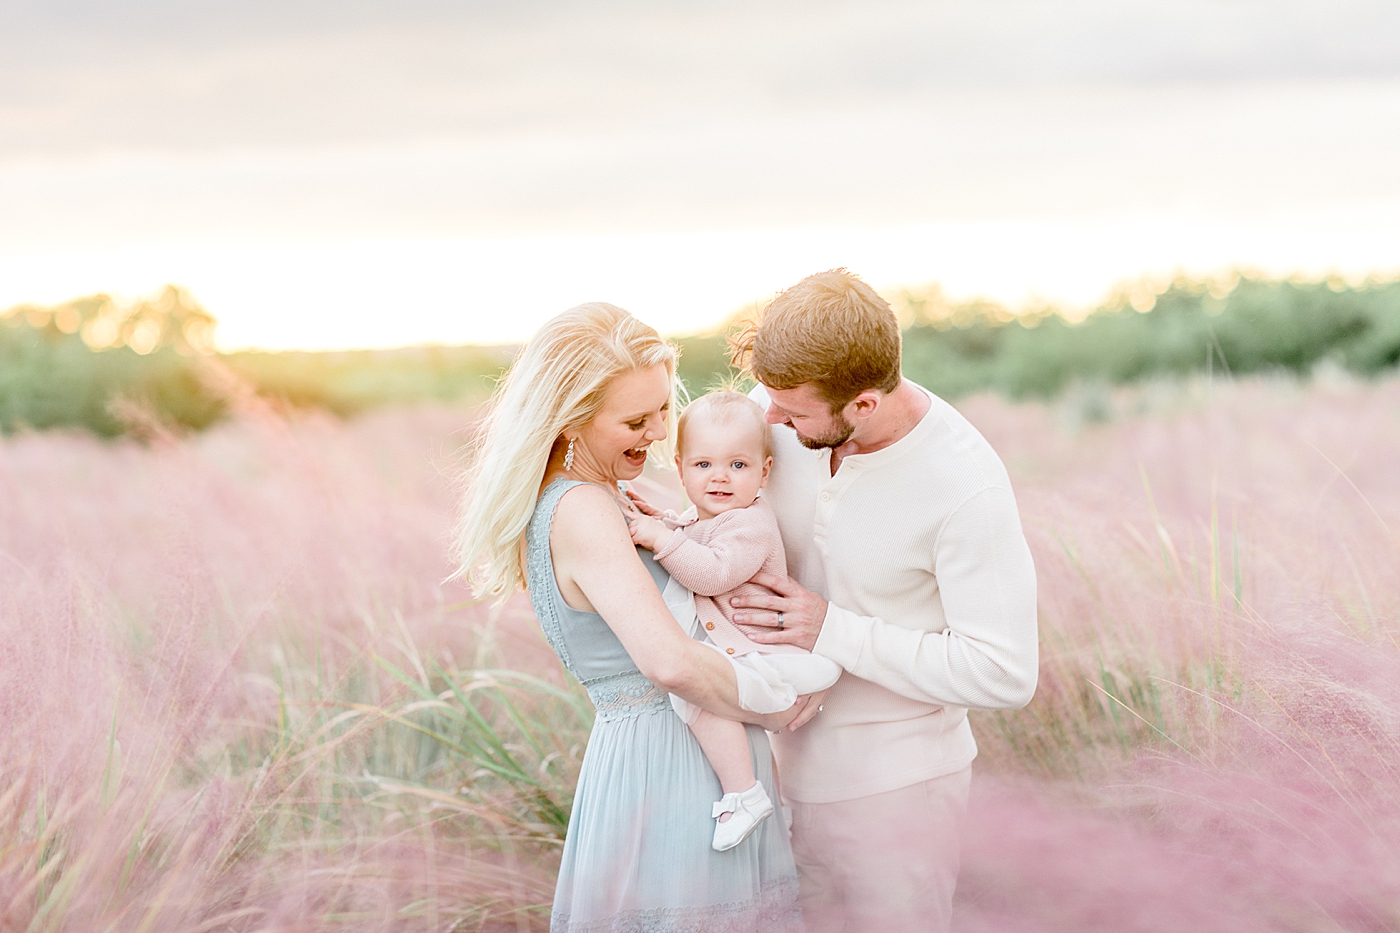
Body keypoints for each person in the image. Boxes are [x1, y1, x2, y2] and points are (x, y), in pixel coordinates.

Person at [454, 303, 807, 933]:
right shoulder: (584, 509)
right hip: (669, 767)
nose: (658, 433)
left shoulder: (603, 496)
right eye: (636, 420)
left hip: (672, 754)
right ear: (571, 420)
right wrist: (778, 703)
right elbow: (668, 661)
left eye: (664, 410)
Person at [726, 269, 1040, 933]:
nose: (769, 416)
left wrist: (832, 629)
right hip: (767, 780)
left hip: (899, 799)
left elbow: (1005, 670)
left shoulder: (964, 484)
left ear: (863, 405)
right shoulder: (779, 407)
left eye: (791, 410)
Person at [626, 391, 842, 852]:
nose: (720, 477)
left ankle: (743, 792)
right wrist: (661, 520)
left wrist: (662, 539)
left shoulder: (750, 524)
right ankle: (779, 807)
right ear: (681, 468)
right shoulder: (707, 517)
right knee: (709, 697)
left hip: (767, 655)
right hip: (748, 651)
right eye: (704, 465)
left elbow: (712, 571)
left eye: (738, 466)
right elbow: (692, 531)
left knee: (700, 698)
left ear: (764, 471)